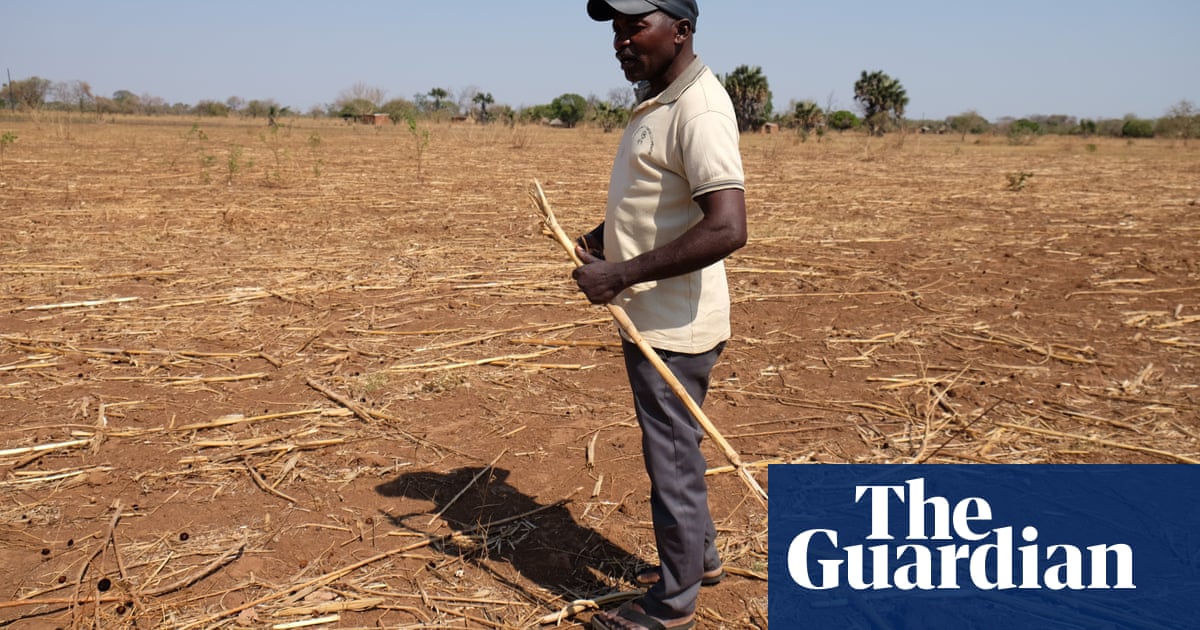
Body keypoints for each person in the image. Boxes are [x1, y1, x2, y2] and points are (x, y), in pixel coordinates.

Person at [574, 1, 747, 628]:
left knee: (671, 461)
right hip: (659, 313)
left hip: (672, 326)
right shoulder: (663, 99)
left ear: (680, 29)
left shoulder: (696, 109)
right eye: (617, 29)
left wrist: (620, 274)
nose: (622, 41)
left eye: (634, 26)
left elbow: (727, 228)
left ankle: (673, 606)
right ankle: (698, 562)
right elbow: (660, 201)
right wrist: (605, 240)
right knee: (681, 449)